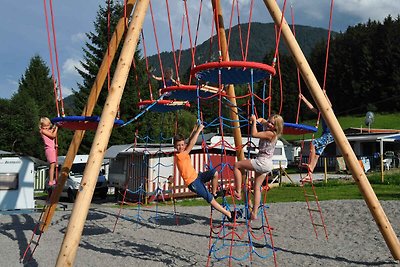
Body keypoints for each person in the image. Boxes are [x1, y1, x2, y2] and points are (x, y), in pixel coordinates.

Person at [174, 123, 235, 222]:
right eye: (178, 146)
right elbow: (191, 144)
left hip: (197, 176)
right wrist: (199, 130)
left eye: (182, 145)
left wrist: (194, 129)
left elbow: (189, 141)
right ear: (175, 147)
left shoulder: (183, 151)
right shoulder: (179, 156)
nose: (180, 147)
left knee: (214, 173)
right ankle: (229, 214)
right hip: (192, 183)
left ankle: (214, 193)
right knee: (210, 199)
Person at [233, 114, 284, 220]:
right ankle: (254, 213)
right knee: (257, 188)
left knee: (237, 165)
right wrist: (257, 120)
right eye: (269, 121)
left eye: (272, 123)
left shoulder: (270, 133)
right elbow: (263, 120)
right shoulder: (270, 129)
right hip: (267, 163)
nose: (269, 124)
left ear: (276, 127)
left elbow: (254, 134)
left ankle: (238, 191)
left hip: (262, 161)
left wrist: (254, 122)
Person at [299, 93, 334, 178]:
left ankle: (310, 165)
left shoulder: (328, 111)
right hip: (325, 135)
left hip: (330, 134)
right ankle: (309, 175)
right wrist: (303, 98)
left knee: (313, 143)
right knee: (317, 154)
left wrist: (325, 94)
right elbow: (311, 108)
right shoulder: (320, 113)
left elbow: (330, 105)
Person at [39, 117, 58, 186]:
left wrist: (55, 126)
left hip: (51, 149)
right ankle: (50, 181)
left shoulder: (46, 130)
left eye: (48, 125)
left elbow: (51, 131)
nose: (47, 127)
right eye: (45, 126)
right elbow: (53, 135)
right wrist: (56, 129)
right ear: (41, 126)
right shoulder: (43, 131)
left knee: (53, 165)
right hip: (49, 150)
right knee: (52, 166)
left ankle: (51, 179)